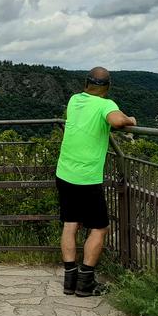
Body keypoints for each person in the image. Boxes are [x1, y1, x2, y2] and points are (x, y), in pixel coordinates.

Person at [56, 67, 136, 296]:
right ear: (108, 87)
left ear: (86, 83)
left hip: (64, 171)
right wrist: (129, 118)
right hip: (87, 178)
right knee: (100, 228)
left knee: (70, 224)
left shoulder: (74, 100)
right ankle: (86, 282)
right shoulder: (105, 104)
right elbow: (118, 121)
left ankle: (69, 281)